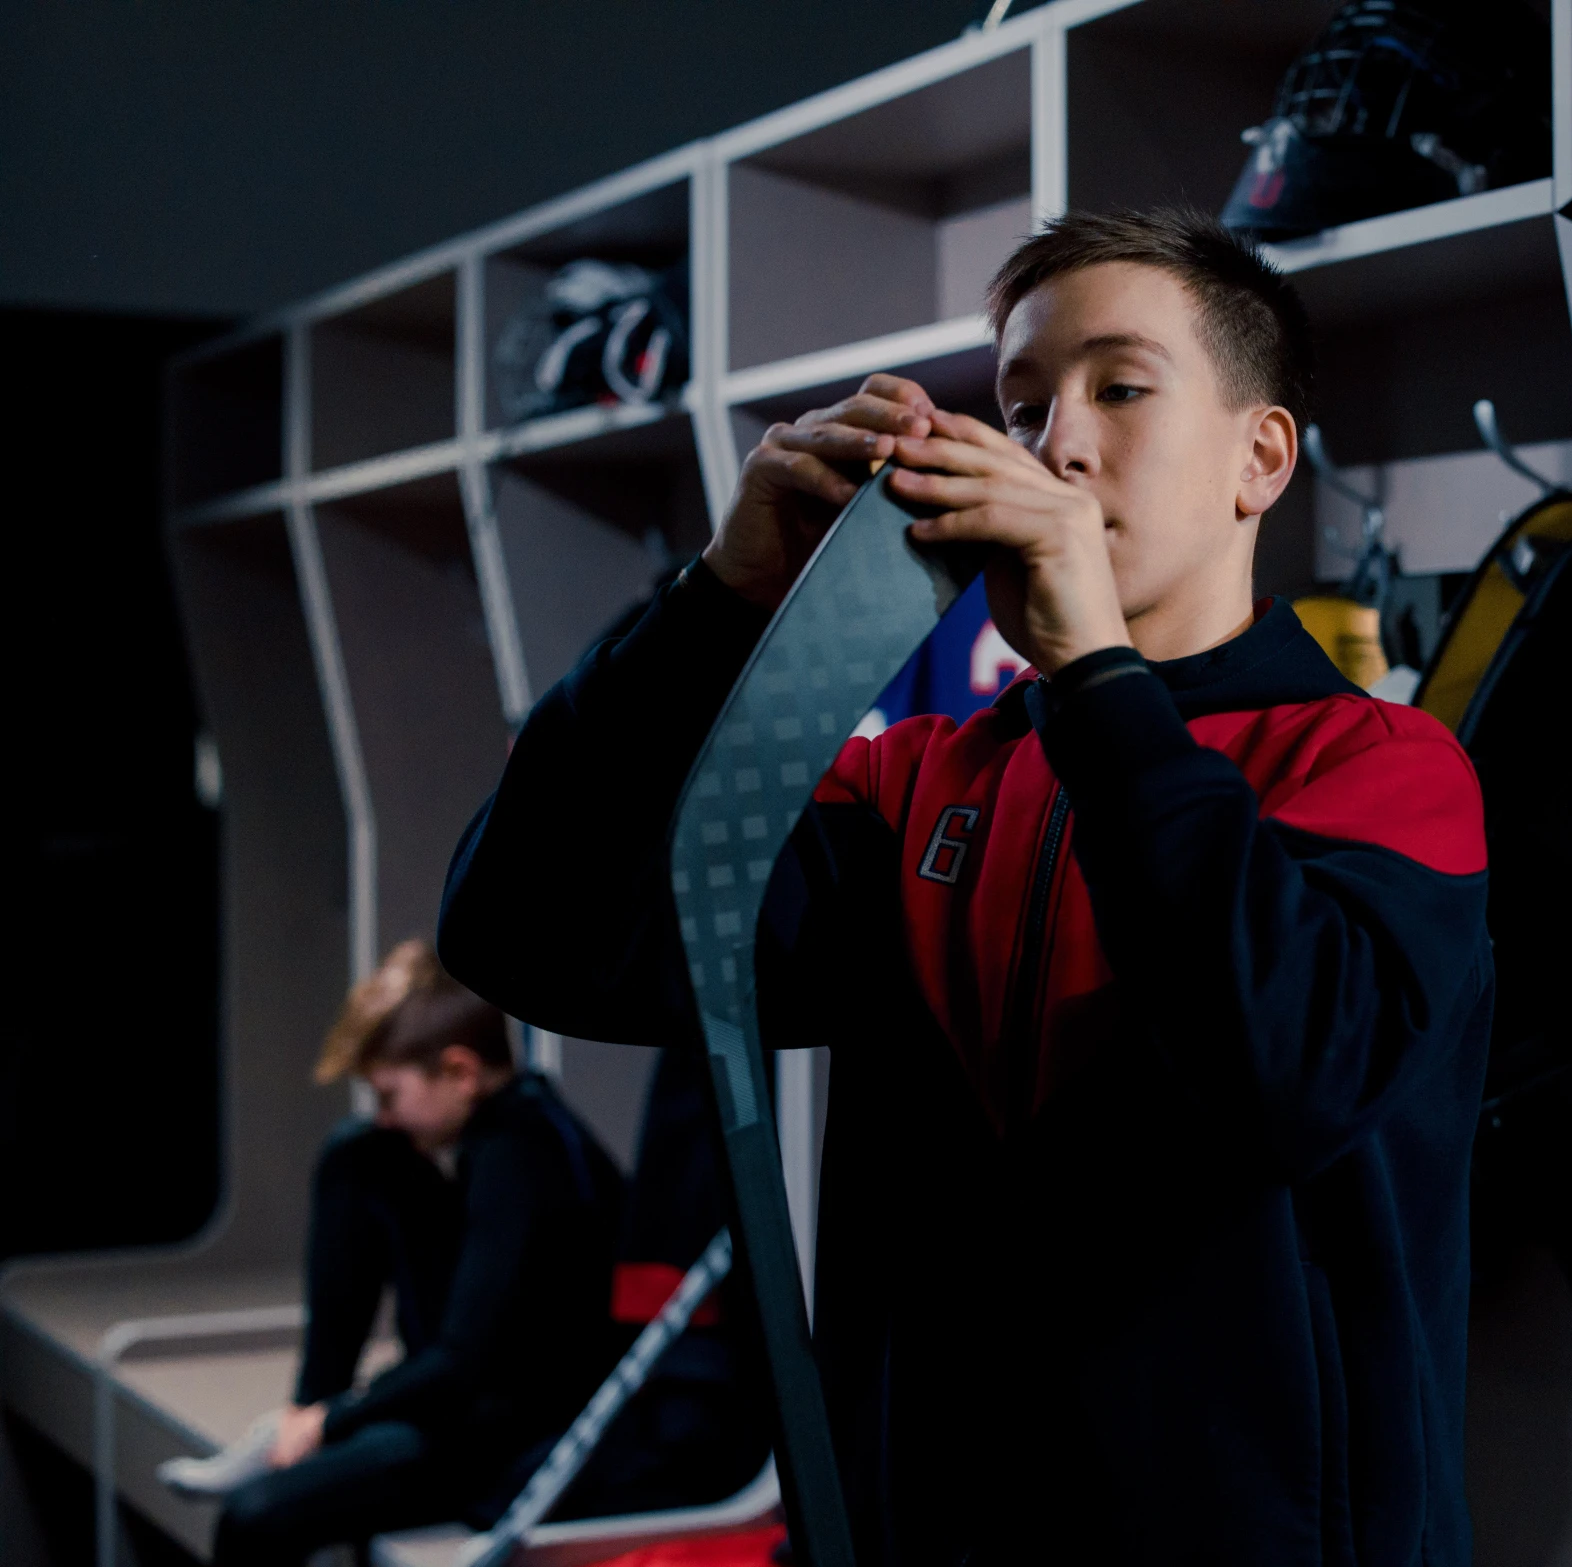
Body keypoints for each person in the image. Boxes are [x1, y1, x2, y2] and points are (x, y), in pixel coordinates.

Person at [440, 208, 1494, 1566]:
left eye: (1119, 386)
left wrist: (1099, 679)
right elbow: (533, 930)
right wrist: (720, 597)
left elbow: (1289, 1068)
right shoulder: (914, 784)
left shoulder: (1377, 763)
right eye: (1020, 403)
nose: (1054, 442)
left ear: (1258, 456)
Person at [205, 940, 624, 1566]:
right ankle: (302, 1415)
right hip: (472, 1404)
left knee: (255, 1518)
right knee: (357, 1157)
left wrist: (339, 1422)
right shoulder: (491, 1135)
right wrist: (324, 1411)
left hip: (515, 1435)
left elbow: (462, 1364)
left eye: (389, 1094)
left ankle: (308, 1427)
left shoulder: (522, 1155)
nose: (384, 1116)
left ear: (459, 1072)